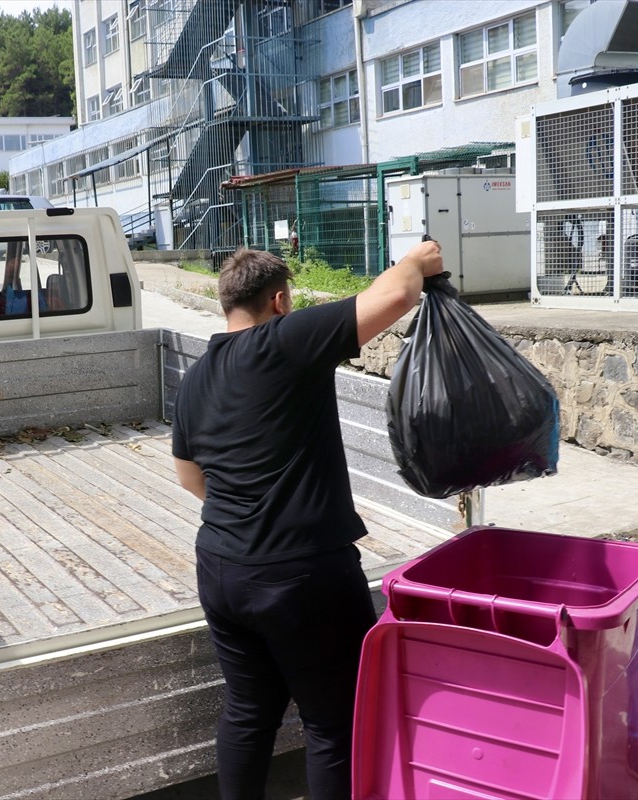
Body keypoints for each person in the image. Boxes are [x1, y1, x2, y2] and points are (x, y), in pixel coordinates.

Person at [171, 240, 444, 799]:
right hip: (300, 575)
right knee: (332, 722)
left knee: (249, 710)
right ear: (279, 300)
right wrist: (418, 261)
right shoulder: (285, 340)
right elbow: (396, 295)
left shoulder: (197, 377)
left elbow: (189, 476)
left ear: (227, 303)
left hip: (221, 567)